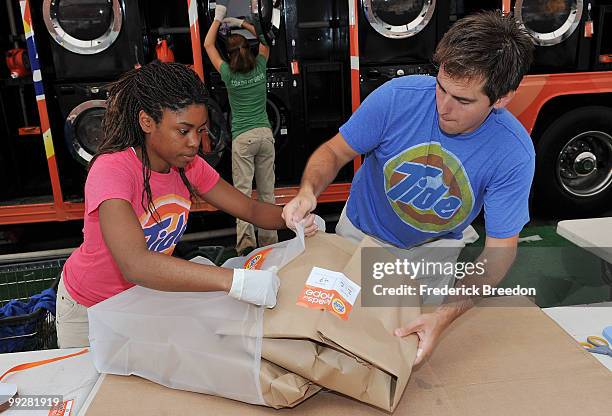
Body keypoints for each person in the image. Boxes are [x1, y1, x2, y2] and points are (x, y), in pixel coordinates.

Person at [282, 11, 535, 365]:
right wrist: (308, 191)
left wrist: (442, 317)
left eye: (462, 101)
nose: (444, 108)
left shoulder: (513, 153)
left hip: (433, 254)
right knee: (332, 343)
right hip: (360, 238)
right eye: (441, 87)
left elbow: (500, 252)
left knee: (403, 353)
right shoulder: (396, 99)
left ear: (502, 98)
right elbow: (334, 151)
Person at [55, 61, 317, 348]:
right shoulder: (113, 170)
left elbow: (251, 210)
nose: (195, 142)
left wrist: (289, 216)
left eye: (200, 130)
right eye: (183, 131)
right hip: (90, 309)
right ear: (147, 122)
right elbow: (136, 264)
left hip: (143, 301)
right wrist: (235, 281)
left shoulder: (189, 167)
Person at [203, 2, 277, 256]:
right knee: (267, 193)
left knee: (243, 196)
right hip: (265, 136)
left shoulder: (228, 74)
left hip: (243, 139)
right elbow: (266, 38)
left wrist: (219, 18)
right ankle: (271, 243)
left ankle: (246, 246)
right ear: (248, 48)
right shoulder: (261, 66)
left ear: (230, 53)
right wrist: (243, 24)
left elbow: (208, 45)